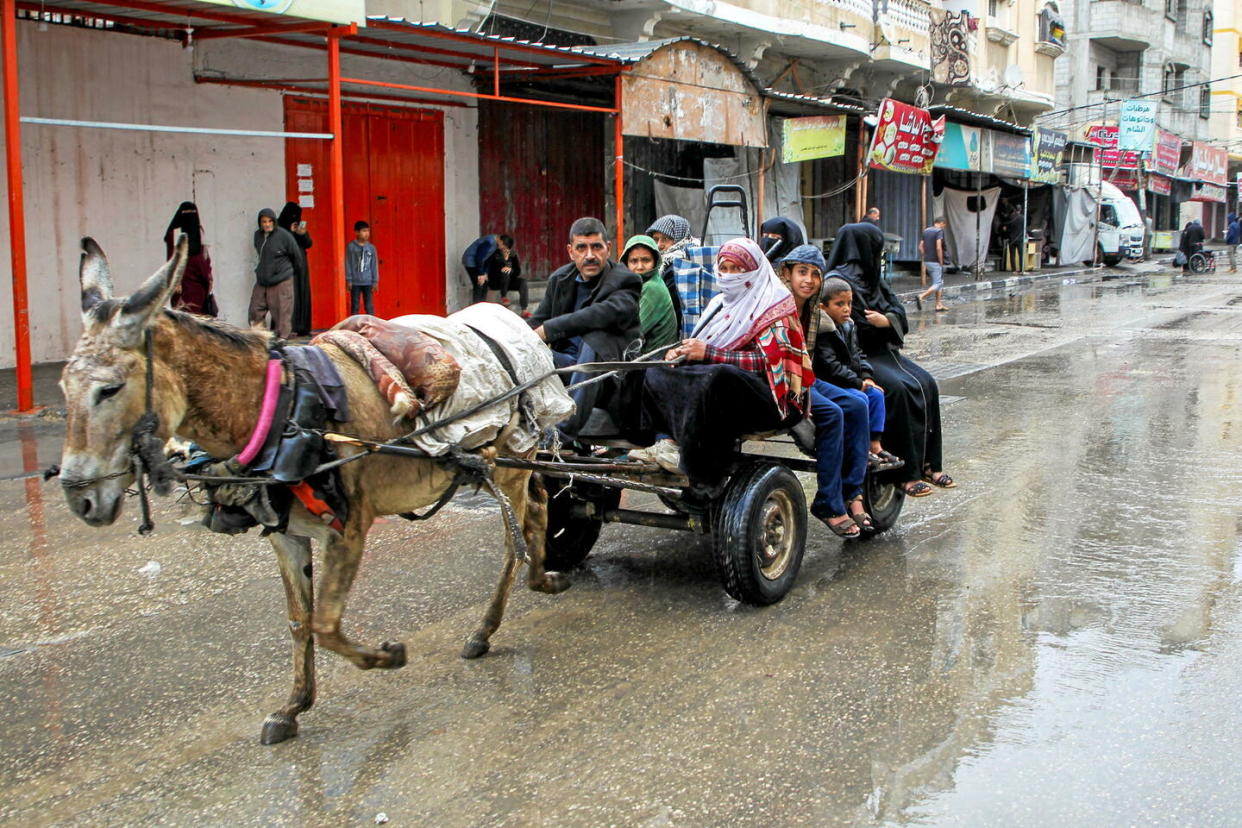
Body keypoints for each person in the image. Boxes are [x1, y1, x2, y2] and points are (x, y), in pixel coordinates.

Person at [639, 238, 815, 504]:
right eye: (726, 268)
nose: (731, 276)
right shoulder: (720, 304)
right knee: (655, 371)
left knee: (719, 376)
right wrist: (682, 353)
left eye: (738, 269)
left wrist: (709, 354)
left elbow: (772, 364)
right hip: (724, 389)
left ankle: (705, 474)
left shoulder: (774, 305)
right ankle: (667, 442)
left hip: (772, 399)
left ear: (755, 270)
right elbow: (703, 343)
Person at [826, 221, 954, 497]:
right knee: (897, 390)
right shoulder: (838, 281)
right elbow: (855, 321)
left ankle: (929, 464)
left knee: (927, 383)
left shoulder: (873, 279)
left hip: (885, 351)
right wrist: (882, 321)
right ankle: (904, 475)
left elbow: (896, 311)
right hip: (858, 356)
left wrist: (887, 320)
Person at [778, 244, 873, 536]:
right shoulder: (777, 304)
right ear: (788, 274)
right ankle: (829, 503)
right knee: (832, 414)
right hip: (781, 378)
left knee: (859, 404)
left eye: (815, 274)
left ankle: (853, 493)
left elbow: (808, 355)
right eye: (802, 272)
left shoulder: (815, 310)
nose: (808, 280)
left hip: (804, 375)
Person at [529, 216, 641, 437]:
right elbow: (536, 321)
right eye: (582, 248)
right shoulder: (560, 279)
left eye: (596, 247)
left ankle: (564, 432)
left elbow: (600, 315)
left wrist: (548, 330)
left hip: (608, 379)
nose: (590, 255)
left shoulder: (626, 281)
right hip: (567, 369)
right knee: (526, 350)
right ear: (571, 252)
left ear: (608, 249)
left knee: (597, 336)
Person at [818, 275, 901, 469]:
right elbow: (830, 366)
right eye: (839, 304)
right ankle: (859, 448)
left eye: (849, 303)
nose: (846, 309)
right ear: (823, 307)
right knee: (860, 400)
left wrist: (867, 377)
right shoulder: (824, 330)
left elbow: (859, 355)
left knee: (876, 394)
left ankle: (875, 445)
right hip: (832, 382)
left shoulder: (849, 325)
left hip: (851, 379)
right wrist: (857, 383)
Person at [249, 207, 304, 339]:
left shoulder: (284, 236)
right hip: (263, 279)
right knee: (255, 309)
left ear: (274, 222)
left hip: (281, 278)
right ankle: (260, 336)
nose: (267, 224)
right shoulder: (258, 235)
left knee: (282, 312)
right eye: (264, 222)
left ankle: (283, 340)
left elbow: (296, 256)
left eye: (269, 221)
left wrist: (288, 273)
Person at [621, 234, 678, 353]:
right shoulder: (636, 285)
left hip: (653, 363)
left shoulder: (652, 288)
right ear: (626, 263)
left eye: (646, 260)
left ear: (655, 262)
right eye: (633, 261)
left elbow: (629, 333)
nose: (639, 267)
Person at [162, 201, 216, 317]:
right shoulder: (181, 238)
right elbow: (205, 270)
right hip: (190, 293)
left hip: (184, 294)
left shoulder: (175, 241)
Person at [646, 214, 697, 331]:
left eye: (666, 239)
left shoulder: (676, 264)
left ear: (679, 239)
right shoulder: (663, 263)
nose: (659, 245)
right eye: (655, 239)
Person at [277, 202, 314, 335]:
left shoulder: (299, 228)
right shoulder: (280, 229)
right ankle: (288, 327)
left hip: (301, 266)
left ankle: (302, 326)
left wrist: (302, 234)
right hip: (287, 266)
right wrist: (291, 233)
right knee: (290, 296)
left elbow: (308, 243)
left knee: (302, 294)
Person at [486, 234, 527, 315]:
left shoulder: (513, 255)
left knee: (523, 282)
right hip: (496, 282)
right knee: (505, 272)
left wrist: (511, 270)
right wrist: (505, 260)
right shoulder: (494, 254)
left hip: (509, 282)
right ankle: (503, 297)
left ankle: (524, 309)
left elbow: (518, 272)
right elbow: (492, 271)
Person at [346, 220, 379, 316]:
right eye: (364, 231)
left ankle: (371, 325)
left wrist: (375, 281)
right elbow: (348, 263)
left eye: (368, 231)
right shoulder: (351, 247)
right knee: (355, 305)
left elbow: (374, 264)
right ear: (356, 232)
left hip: (368, 281)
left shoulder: (371, 248)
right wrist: (349, 279)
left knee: (369, 306)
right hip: (355, 282)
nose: (366, 233)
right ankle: (354, 325)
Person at [917, 217, 949, 312]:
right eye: (944, 225)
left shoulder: (926, 231)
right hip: (935, 261)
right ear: (941, 223)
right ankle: (921, 296)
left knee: (940, 281)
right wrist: (940, 260)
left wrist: (925, 255)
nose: (944, 227)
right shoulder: (939, 232)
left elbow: (920, 246)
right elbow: (938, 247)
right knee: (938, 283)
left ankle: (938, 304)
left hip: (927, 260)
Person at [462, 235, 498, 304]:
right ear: (501, 242)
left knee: (484, 283)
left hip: (478, 263)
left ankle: (482, 305)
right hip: (470, 262)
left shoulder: (495, 245)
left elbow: (488, 259)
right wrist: (481, 274)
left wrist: (485, 273)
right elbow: (479, 258)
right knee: (479, 283)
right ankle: (476, 307)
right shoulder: (489, 242)